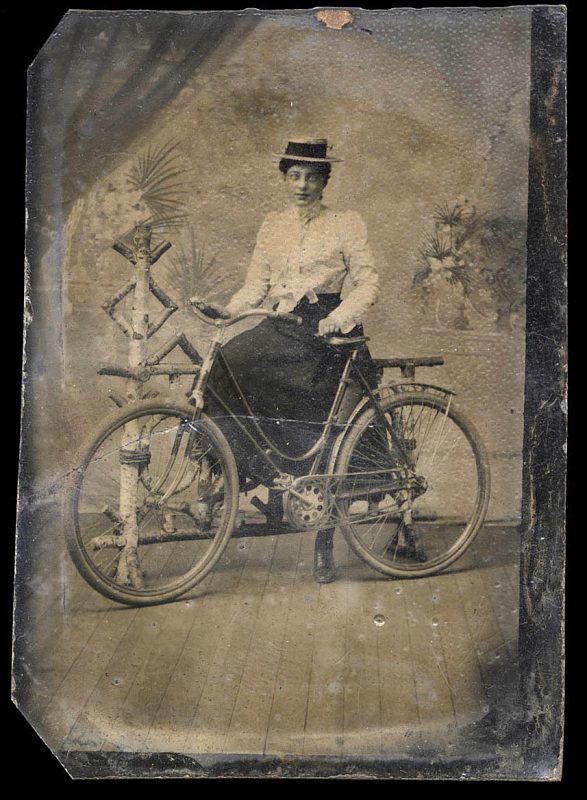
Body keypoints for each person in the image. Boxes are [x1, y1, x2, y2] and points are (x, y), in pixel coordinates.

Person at [202, 138, 380, 583]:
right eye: (294, 176)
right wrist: (229, 310)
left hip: (327, 334)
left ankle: (324, 539)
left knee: (322, 427)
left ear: (325, 181)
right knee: (226, 364)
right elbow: (256, 286)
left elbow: (367, 283)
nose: (302, 185)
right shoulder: (273, 225)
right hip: (282, 328)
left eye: (312, 177)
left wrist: (339, 318)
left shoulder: (344, 224)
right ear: (284, 179)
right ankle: (252, 471)